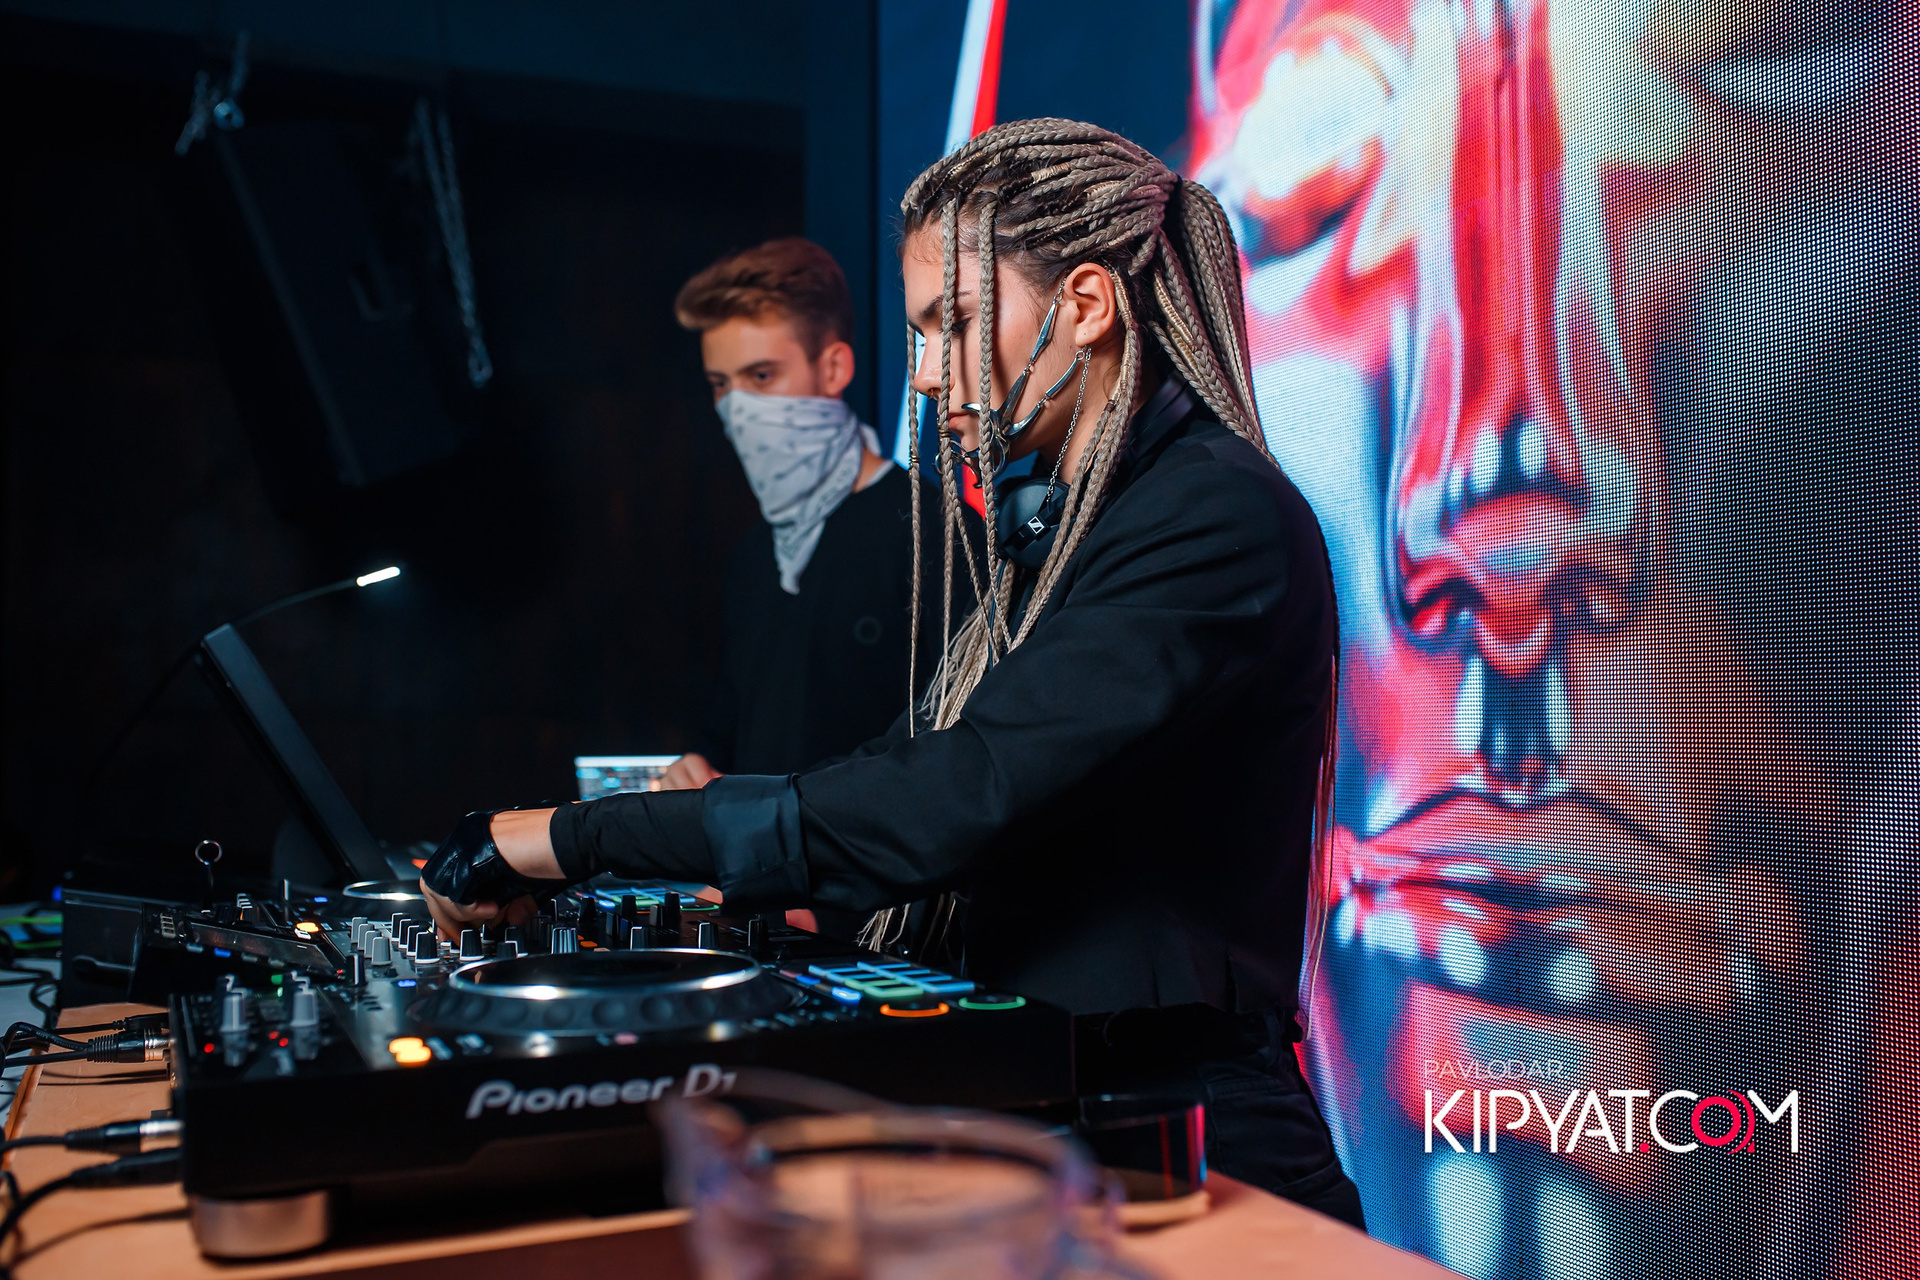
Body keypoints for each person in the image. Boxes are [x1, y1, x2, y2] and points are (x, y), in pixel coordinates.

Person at [422, 119, 1365, 1228]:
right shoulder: (1071, 527)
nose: (923, 372)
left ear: (1087, 305)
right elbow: (898, 761)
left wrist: (563, 838)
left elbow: (948, 795)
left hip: (1191, 1137)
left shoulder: (1215, 513)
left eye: (951, 322)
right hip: (1060, 1109)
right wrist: (657, 844)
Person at [656, 238, 966, 792]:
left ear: (833, 368)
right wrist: (695, 768)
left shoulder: (938, 536)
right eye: (721, 385)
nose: (737, 409)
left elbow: (947, 756)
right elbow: (731, 732)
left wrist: (769, 817)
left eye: (761, 376)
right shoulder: (755, 555)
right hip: (742, 851)